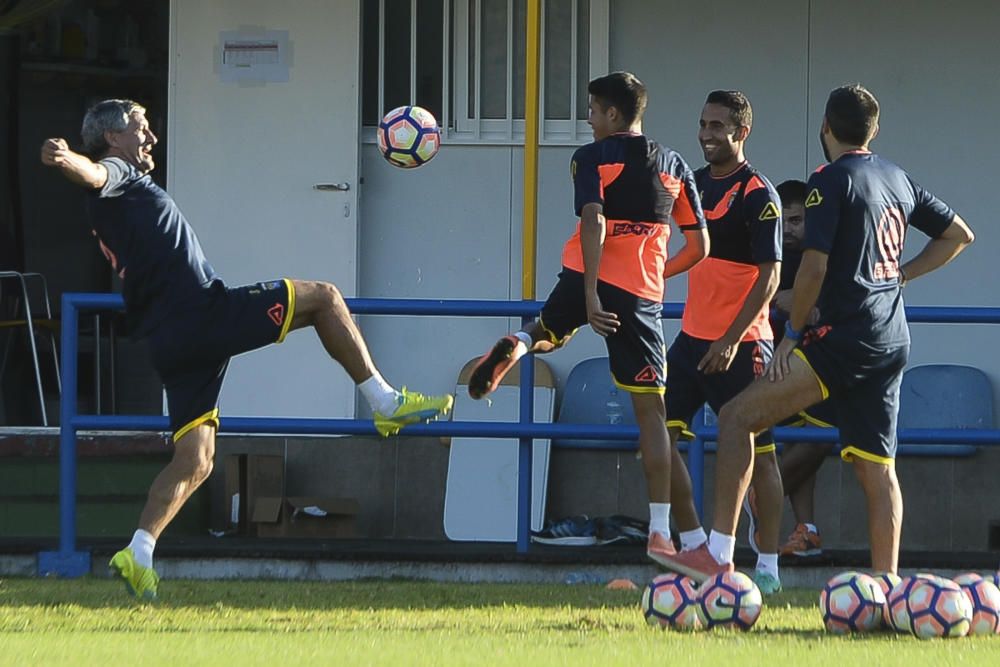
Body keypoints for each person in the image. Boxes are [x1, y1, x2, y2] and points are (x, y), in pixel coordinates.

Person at [40, 99, 453, 600]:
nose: (150, 137)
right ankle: (384, 403)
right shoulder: (117, 173)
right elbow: (92, 173)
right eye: (139, 128)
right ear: (112, 139)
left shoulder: (116, 197)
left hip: (169, 339)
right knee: (324, 298)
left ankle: (139, 550)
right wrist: (66, 159)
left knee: (196, 458)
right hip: (202, 315)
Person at [655, 84, 974, 580]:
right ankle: (886, 585)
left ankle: (715, 556)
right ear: (875, 130)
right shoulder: (896, 177)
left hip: (842, 339)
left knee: (739, 419)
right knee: (877, 467)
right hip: (892, 338)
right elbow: (958, 234)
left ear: (825, 127)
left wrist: (791, 336)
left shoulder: (828, 180)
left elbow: (811, 270)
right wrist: (900, 276)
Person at [466, 72, 709, 564]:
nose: (589, 118)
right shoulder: (676, 163)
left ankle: (516, 341)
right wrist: (656, 271)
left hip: (583, 276)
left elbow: (594, 218)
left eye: (593, 110)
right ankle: (662, 534)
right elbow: (700, 245)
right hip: (637, 296)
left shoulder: (590, 157)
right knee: (654, 421)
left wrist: (592, 293)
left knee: (545, 332)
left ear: (613, 114)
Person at [656, 91, 784, 594]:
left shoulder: (759, 193)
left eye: (717, 126)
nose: (707, 134)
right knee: (656, 435)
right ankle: (694, 544)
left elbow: (770, 279)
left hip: (745, 346)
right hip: (691, 342)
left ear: (741, 132)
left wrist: (732, 339)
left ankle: (768, 568)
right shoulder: (691, 182)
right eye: (702, 124)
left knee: (763, 457)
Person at [771, 179, 836, 559]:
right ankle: (806, 529)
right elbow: (767, 300)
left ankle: (760, 496)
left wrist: (804, 302)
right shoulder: (770, 255)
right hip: (778, 363)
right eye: (782, 221)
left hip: (824, 363)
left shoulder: (824, 254)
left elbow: (827, 301)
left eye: (796, 220)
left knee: (820, 438)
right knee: (799, 441)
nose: (788, 230)